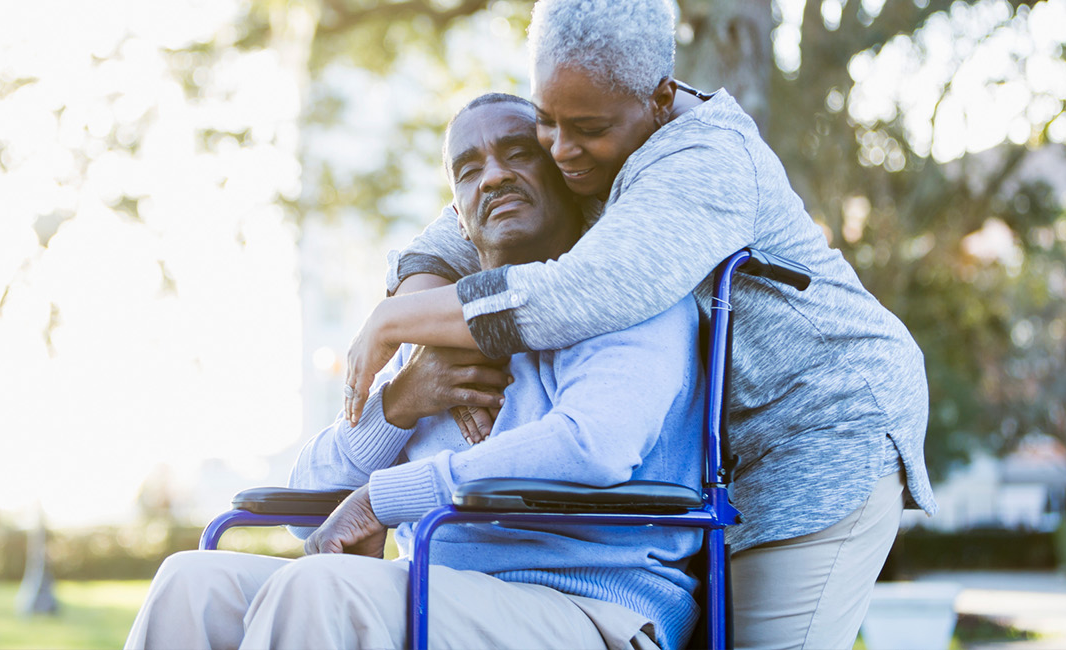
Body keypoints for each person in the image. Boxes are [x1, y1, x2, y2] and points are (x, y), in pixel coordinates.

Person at [342, 1, 939, 648]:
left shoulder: (703, 162)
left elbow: (579, 294)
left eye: (586, 128)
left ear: (659, 98)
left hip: (822, 425)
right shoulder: (591, 136)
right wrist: (427, 331)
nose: (561, 151)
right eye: (546, 122)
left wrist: (394, 323)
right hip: (724, 449)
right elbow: (455, 232)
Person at [125, 93, 706, 650]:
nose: (494, 176)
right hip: (437, 594)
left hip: (590, 605)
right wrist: (398, 404)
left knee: (320, 589)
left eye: (518, 152)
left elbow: (593, 445)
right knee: (191, 583)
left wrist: (385, 498)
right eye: (469, 169)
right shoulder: (434, 325)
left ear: (564, 172)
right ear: (459, 217)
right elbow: (306, 510)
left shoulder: (627, 290)